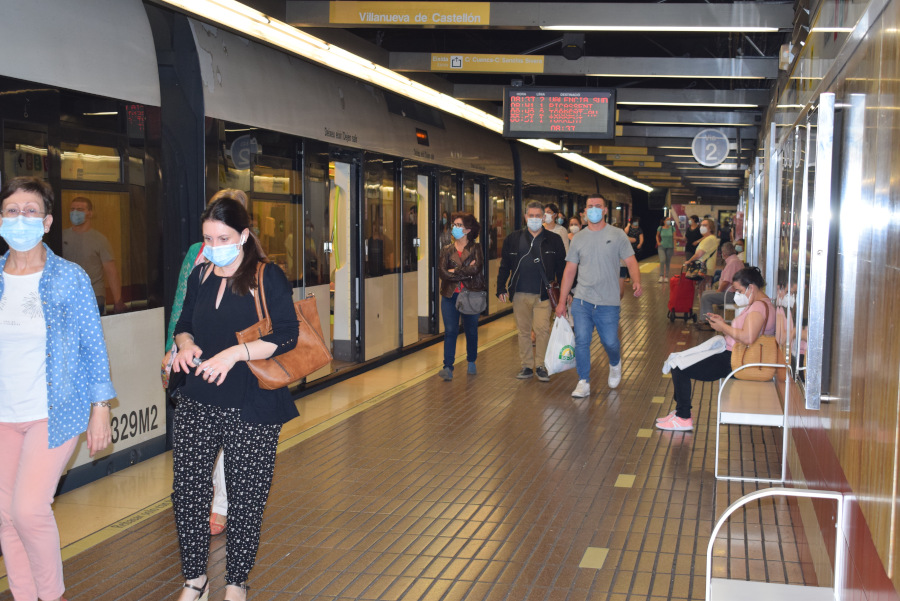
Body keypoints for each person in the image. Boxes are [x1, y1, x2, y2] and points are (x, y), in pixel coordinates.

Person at [171, 193, 299, 601]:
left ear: (243, 235)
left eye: (223, 237)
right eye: (208, 238)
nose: (213, 246)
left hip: (251, 402)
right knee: (188, 492)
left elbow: (287, 334)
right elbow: (185, 321)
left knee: (246, 498)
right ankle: (195, 578)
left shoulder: (267, 275)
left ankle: (237, 582)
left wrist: (233, 354)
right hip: (197, 398)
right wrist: (185, 343)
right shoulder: (201, 273)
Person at [0, 177, 114, 601]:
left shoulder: (69, 277)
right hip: (3, 415)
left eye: (30, 211)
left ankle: (52, 597)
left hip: (56, 409)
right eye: (11, 210)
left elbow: (92, 345)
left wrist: (100, 405)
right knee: (6, 518)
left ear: (47, 222)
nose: (20, 219)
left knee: (28, 510)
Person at [657, 267, 775, 431]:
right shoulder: (759, 304)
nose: (738, 295)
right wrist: (723, 324)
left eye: (740, 290)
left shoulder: (758, 308)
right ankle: (679, 412)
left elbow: (748, 338)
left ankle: (683, 417)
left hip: (733, 360)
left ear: (752, 288)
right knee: (678, 363)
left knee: (679, 367)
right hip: (732, 354)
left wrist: (723, 327)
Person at [555, 195, 642, 398]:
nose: (593, 210)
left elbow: (631, 261)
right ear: (585, 211)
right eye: (590, 207)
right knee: (582, 341)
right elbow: (569, 270)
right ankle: (583, 381)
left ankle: (615, 362)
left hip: (608, 302)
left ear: (604, 210)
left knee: (610, 341)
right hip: (582, 300)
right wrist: (561, 301)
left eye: (598, 206)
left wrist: (636, 280)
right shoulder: (578, 238)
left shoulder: (618, 234)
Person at [497, 201, 567, 382]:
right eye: (531, 215)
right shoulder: (513, 239)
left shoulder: (554, 240)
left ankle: (541, 365)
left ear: (544, 218)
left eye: (538, 216)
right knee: (523, 331)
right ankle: (527, 366)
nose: (534, 219)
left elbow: (562, 268)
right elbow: (504, 266)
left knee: (542, 330)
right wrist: (500, 288)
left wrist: (568, 293)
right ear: (525, 217)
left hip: (544, 293)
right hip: (520, 293)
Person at [437, 212, 484, 381]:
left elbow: (476, 269)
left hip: (470, 296)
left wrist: (454, 271)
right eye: (454, 224)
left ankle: (471, 360)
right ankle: (447, 367)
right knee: (450, 331)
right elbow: (442, 273)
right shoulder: (446, 249)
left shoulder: (476, 248)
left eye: (458, 225)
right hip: (450, 295)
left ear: (467, 230)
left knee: (471, 330)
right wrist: (464, 271)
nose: (454, 228)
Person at [62, 196, 126, 315]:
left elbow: (111, 271)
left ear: (90, 213)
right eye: (72, 209)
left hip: (93, 295)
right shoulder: (62, 236)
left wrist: (118, 300)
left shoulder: (100, 240)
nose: (75, 212)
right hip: (67, 294)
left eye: (80, 209)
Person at [695, 242, 743, 330]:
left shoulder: (732, 263)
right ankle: (706, 320)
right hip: (733, 292)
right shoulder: (735, 260)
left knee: (707, 297)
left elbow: (726, 282)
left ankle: (708, 322)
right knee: (705, 293)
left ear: (724, 253)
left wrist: (719, 290)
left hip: (731, 294)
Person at [686, 218, 719, 292]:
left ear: (710, 228)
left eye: (705, 225)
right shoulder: (708, 238)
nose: (702, 227)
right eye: (701, 225)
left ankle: (703, 304)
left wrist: (689, 261)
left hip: (705, 269)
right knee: (702, 291)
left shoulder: (709, 239)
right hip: (705, 268)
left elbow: (699, 254)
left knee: (703, 292)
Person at [656, 217, 675, 283]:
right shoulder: (660, 228)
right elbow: (657, 235)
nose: (668, 221)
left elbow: (674, 238)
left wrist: (675, 247)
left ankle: (666, 276)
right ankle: (661, 276)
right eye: (667, 220)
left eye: (669, 220)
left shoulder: (672, 228)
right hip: (661, 246)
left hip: (670, 247)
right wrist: (658, 242)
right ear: (664, 221)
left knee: (667, 262)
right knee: (662, 260)